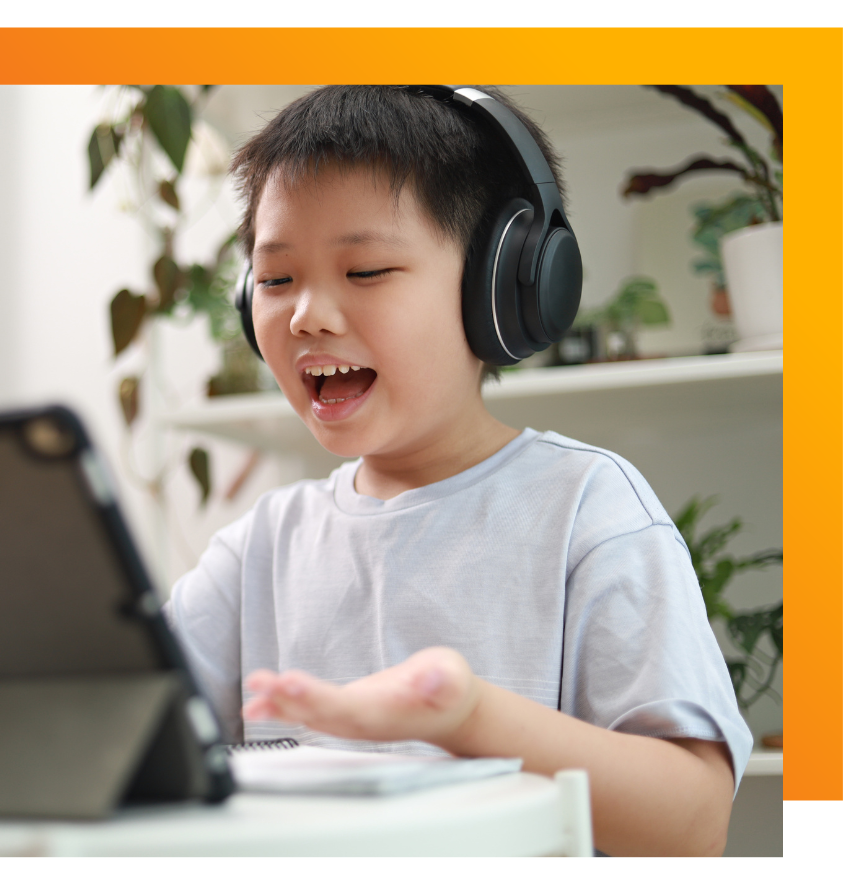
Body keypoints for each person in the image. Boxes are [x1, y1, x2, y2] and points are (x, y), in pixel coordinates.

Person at [164, 86, 750, 856]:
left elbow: (691, 825)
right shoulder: (259, 548)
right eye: (275, 281)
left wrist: (468, 716)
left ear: (501, 289)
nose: (306, 314)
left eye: (365, 270)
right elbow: (125, 733)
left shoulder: (585, 510)